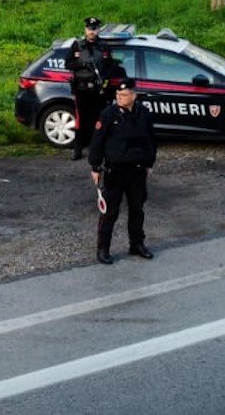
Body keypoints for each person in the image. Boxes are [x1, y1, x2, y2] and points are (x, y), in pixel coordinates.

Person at [88, 78, 156, 265]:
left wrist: (149, 162)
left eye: (124, 95)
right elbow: (97, 141)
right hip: (115, 171)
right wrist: (95, 166)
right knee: (110, 212)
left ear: (134, 95)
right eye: (118, 94)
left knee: (137, 210)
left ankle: (137, 244)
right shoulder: (109, 114)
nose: (120, 97)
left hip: (137, 170)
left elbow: (151, 139)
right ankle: (103, 249)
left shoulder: (143, 113)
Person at [66, 17, 112, 161]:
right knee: (81, 120)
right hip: (81, 89)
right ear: (85, 30)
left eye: (95, 29)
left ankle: (95, 149)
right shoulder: (77, 45)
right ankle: (77, 149)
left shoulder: (104, 46)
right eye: (89, 29)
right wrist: (82, 65)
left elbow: (110, 65)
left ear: (98, 30)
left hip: (98, 90)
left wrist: (105, 78)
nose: (92, 32)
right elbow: (68, 64)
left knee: (97, 120)